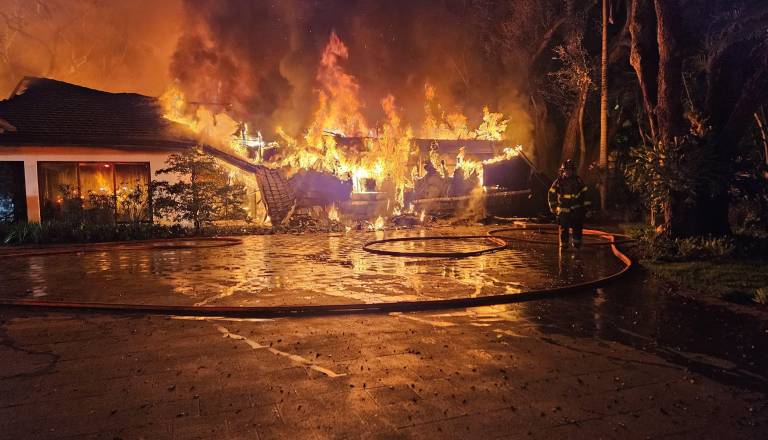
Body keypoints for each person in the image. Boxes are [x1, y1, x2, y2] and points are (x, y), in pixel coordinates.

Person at [548, 159, 591, 249]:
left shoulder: (578, 181)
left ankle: (577, 247)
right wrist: (553, 207)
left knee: (577, 229)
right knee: (564, 229)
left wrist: (587, 209)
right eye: (566, 170)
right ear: (562, 171)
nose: (567, 172)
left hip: (576, 211)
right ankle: (564, 248)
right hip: (563, 211)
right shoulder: (558, 181)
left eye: (569, 170)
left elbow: (586, 194)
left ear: (573, 170)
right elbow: (551, 193)